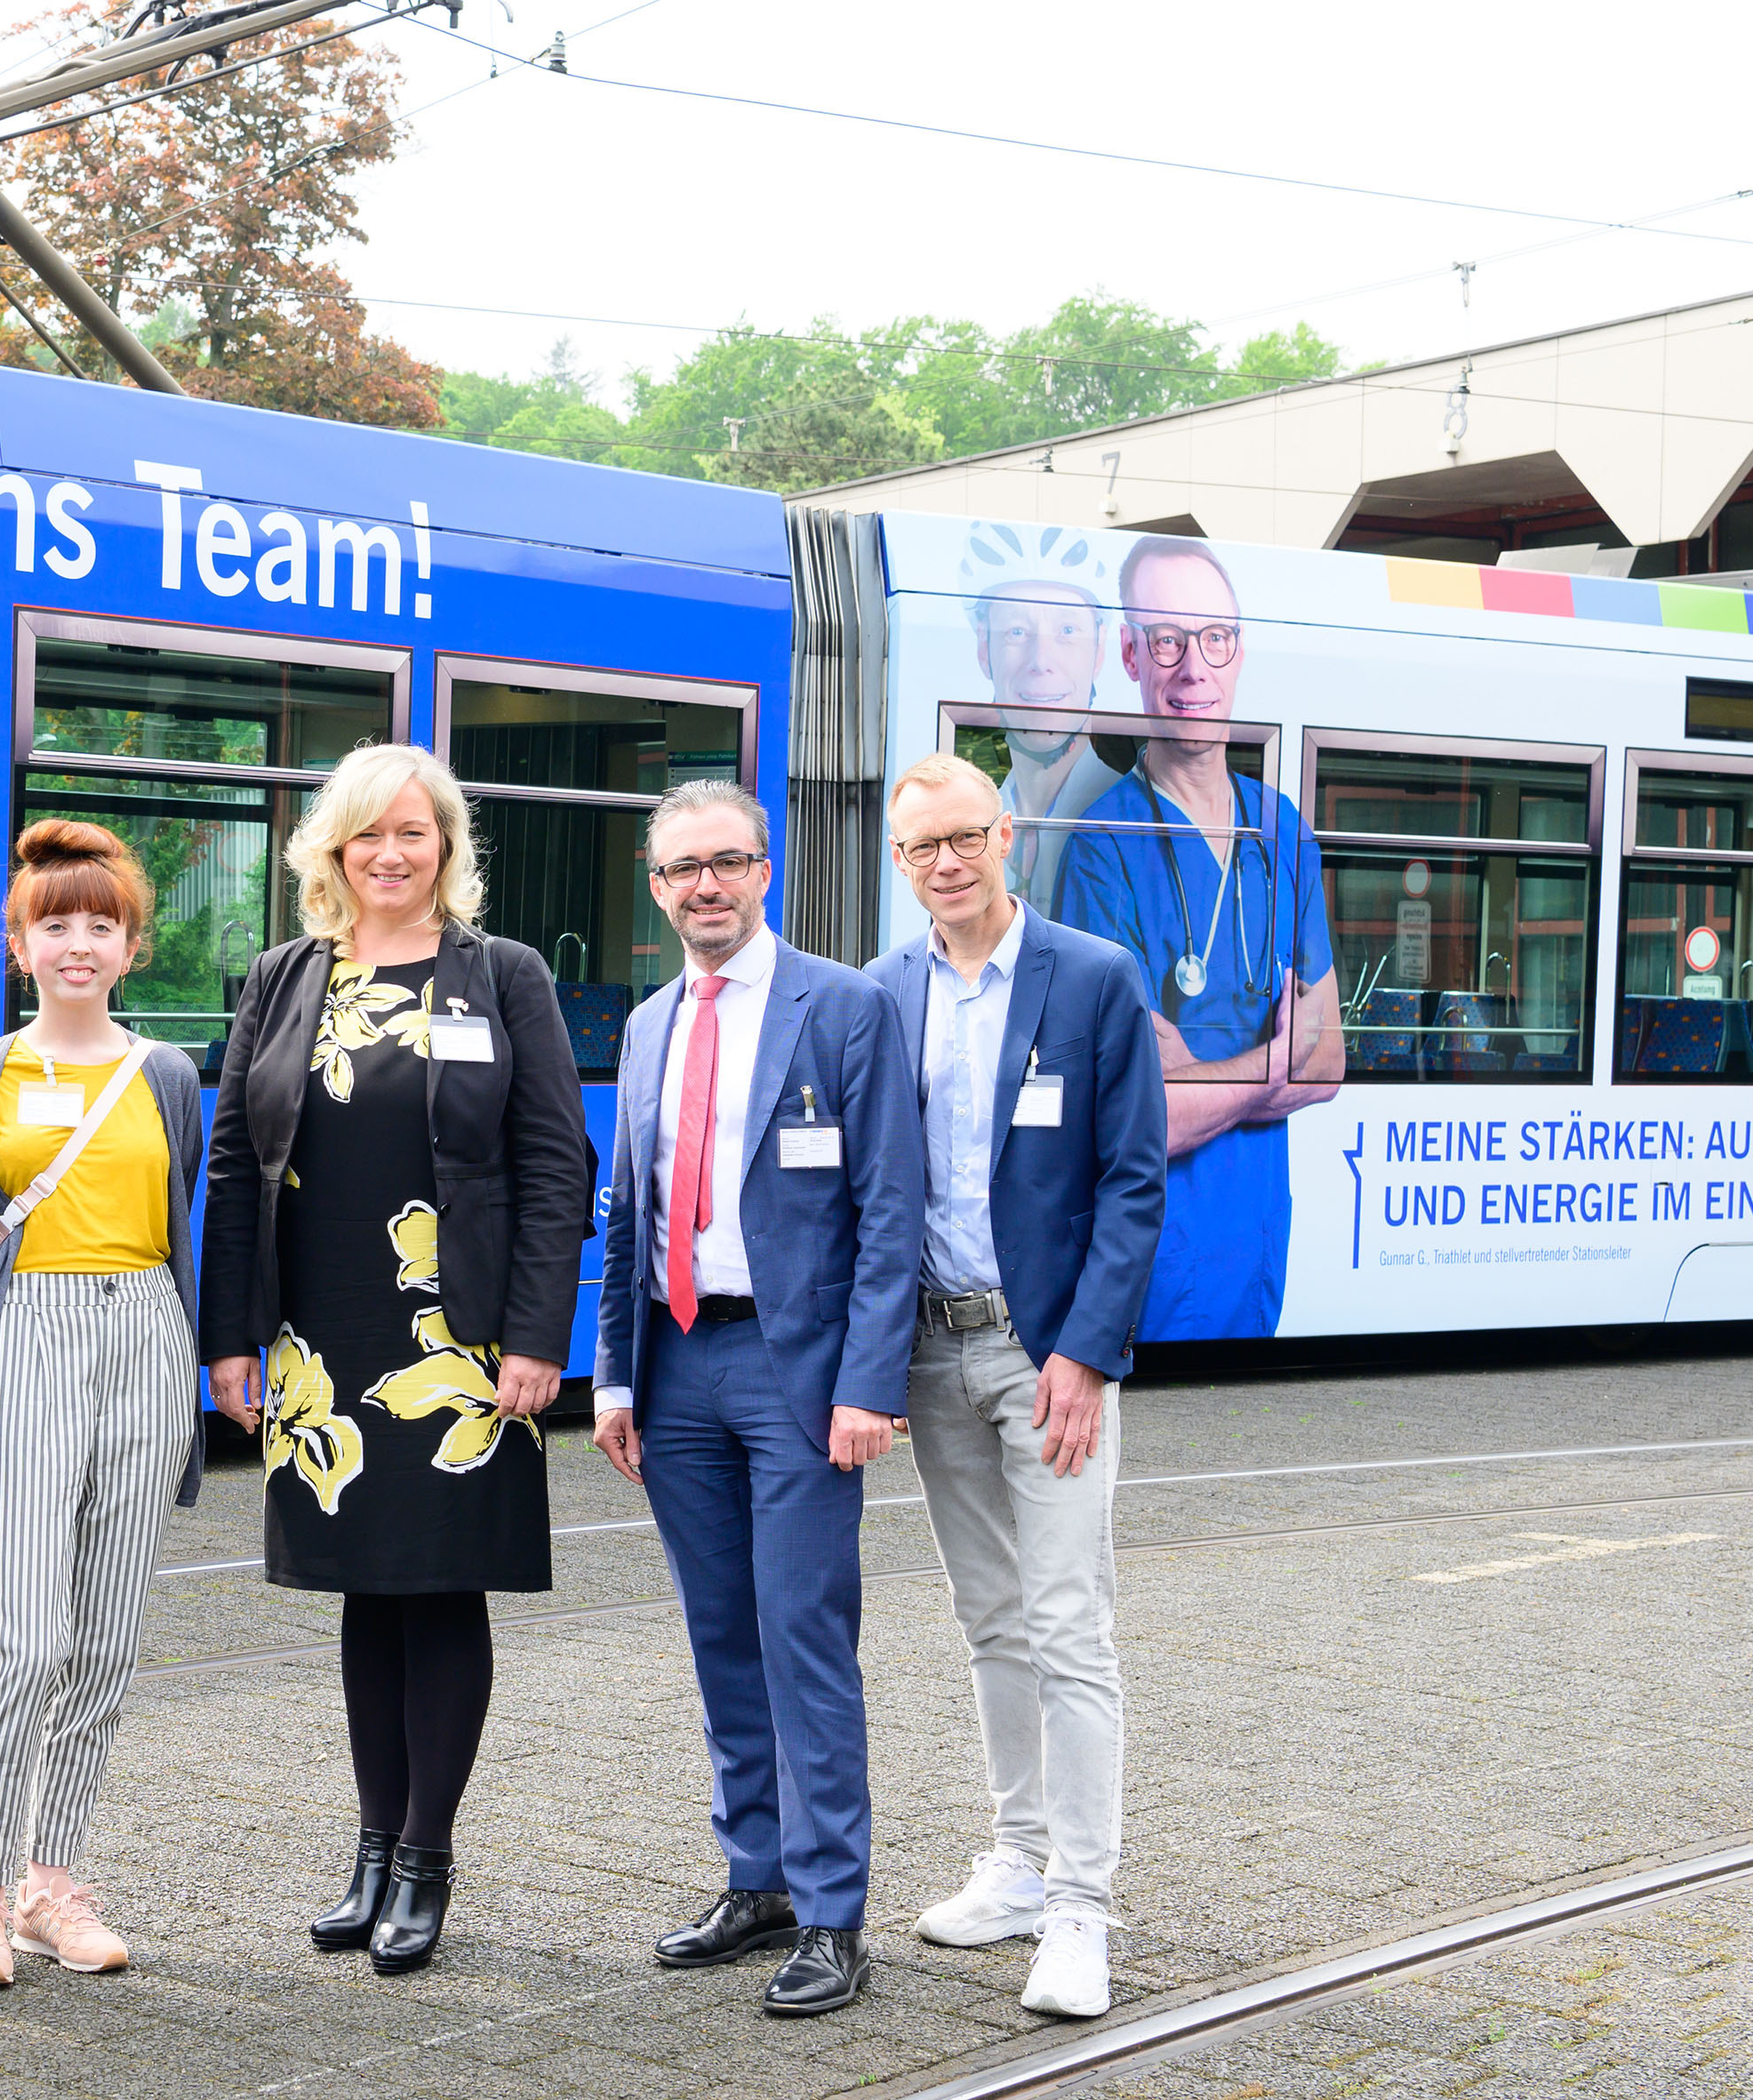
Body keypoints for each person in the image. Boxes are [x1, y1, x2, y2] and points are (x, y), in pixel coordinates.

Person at [201, 741, 591, 1976]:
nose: (387, 852)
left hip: (456, 1336)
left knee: (440, 1585)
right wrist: (228, 1333)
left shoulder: (502, 975)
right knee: (363, 1590)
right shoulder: (280, 977)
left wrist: (536, 1335)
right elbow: (228, 1164)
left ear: (444, 849)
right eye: (365, 832)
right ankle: (370, 1849)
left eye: (412, 833)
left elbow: (552, 1164)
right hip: (320, 1335)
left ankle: (426, 1855)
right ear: (331, 849)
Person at [588, 778, 923, 2019]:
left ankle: (835, 1913)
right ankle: (757, 1876)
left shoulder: (841, 1006)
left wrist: (866, 1387)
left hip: (796, 1375)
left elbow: (888, 1211)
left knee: (802, 1634)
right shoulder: (645, 1024)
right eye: (680, 869)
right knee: (719, 1630)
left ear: (762, 869)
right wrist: (612, 1373)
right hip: (673, 1364)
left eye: (724, 862)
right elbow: (622, 1207)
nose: (704, 886)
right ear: (655, 883)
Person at [868, 752, 1167, 2021]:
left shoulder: (1091, 978)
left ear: (1005, 834)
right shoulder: (881, 994)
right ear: (898, 864)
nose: (945, 861)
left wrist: (1086, 1351)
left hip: (1042, 1355)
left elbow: (1132, 1179)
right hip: (932, 1350)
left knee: (1066, 1625)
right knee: (987, 1616)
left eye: (963, 836)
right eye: (919, 846)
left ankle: (1082, 1910)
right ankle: (1016, 1858)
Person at [0, 822, 207, 1989]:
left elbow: (184, 1211)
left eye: (102, 923)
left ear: (133, 944)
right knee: (22, 1639)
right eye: (56, 921)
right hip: (27, 1333)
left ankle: (55, 1880)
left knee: (104, 1636)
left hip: (146, 1328)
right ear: (16, 941)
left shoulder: (170, 1075)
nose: (78, 942)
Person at [1055, 536, 1341, 1342]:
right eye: (1166, 640)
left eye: (1213, 638)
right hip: (1154, 1248)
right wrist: (1270, 1064)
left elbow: (1327, 1064)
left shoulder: (1280, 829)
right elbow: (1151, 1116)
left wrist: (1206, 1076)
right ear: (1130, 655)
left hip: (1255, 1239)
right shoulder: (1101, 846)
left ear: (1238, 651)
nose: (1193, 669)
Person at [958, 522, 1121, 918]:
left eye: (1067, 630)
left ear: (1099, 651)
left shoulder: (1127, 811)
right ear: (985, 648)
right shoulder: (969, 807)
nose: (1041, 662)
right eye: (1016, 631)